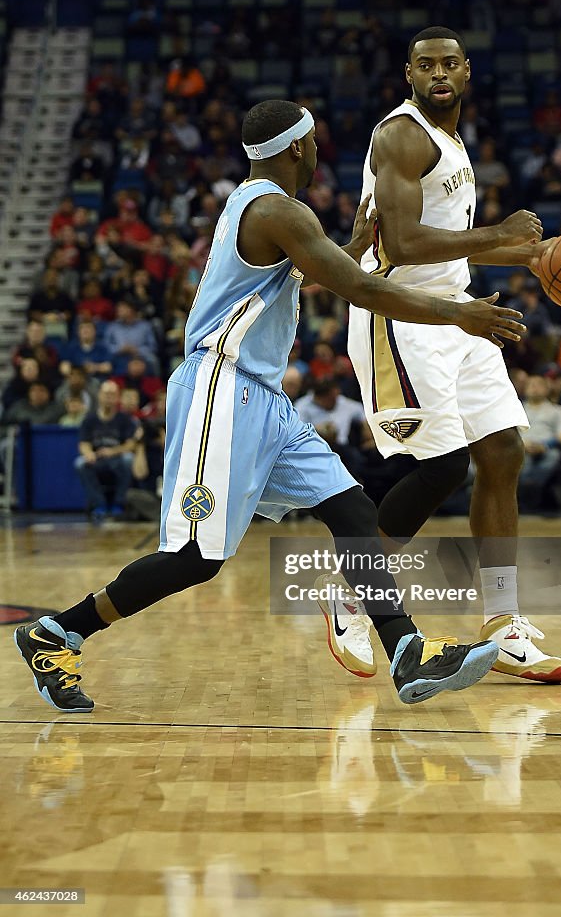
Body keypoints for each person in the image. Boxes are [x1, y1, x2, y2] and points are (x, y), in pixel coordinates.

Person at [14, 99, 530, 713]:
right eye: (313, 143)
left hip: (264, 397)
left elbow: (300, 273)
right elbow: (359, 286)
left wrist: (352, 243)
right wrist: (458, 312)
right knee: (194, 560)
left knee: (354, 509)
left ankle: (406, 652)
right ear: (294, 149)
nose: (319, 152)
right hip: (219, 389)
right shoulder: (276, 210)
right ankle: (58, 633)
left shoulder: (270, 211)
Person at [345, 27, 561, 684]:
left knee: (503, 452)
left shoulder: (449, 138)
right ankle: (354, 592)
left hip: (456, 311)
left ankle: (503, 625)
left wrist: (530, 254)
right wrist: (500, 232)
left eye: (449, 63)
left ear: (467, 72)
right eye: (426, 64)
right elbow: (407, 243)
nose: (439, 73)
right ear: (409, 72)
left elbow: (450, 243)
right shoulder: (402, 135)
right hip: (401, 314)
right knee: (442, 469)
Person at [75, 381, 137, 521]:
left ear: (118, 397)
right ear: (99, 395)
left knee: (128, 459)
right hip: (97, 460)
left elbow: (131, 445)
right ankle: (99, 504)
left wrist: (113, 451)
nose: (109, 397)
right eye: (106, 393)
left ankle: (119, 503)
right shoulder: (89, 419)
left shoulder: (124, 419)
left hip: (117, 459)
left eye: (112, 394)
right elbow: (83, 443)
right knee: (80, 463)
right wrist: (88, 453)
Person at [519, 375, 561, 508]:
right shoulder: (517, 410)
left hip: (547, 448)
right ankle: (526, 493)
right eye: (531, 385)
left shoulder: (557, 410)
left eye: (539, 385)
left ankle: (534, 487)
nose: (535, 388)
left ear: (547, 389)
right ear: (525, 389)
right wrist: (523, 445)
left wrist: (545, 445)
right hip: (522, 448)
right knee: (520, 460)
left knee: (554, 456)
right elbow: (510, 434)